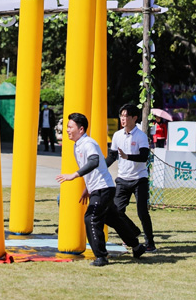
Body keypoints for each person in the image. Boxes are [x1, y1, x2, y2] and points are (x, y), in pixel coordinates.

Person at [56, 113, 146, 267]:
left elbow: (94, 161)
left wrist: (74, 175)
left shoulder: (88, 144)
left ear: (81, 129)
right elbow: (92, 169)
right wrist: (87, 188)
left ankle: (101, 257)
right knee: (115, 220)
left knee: (91, 218)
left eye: (70, 127)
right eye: (67, 127)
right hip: (100, 188)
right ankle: (137, 247)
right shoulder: (78, 144)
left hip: (103, 189)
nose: (67, 130)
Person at [107, 103, 156, 252]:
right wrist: (100, 167)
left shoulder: (141, 136)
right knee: (116, 211)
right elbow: (112, 156)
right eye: (121, 116)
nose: (123, 119)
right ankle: (132, 233)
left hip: (139, 179)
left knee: (142, 212)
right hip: (122, 178)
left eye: (126, 116)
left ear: (134, 118)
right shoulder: (117, 135)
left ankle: (150, 243)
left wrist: (127, 156)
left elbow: (143, 157)